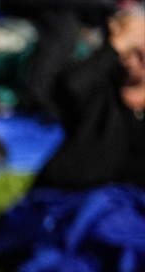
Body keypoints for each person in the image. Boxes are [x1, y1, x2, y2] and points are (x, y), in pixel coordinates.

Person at [34, 3, 145, 190]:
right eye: (126, 52)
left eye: (139, 50)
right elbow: (71, 87)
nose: (130, 59)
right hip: (79, 195)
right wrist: (119, 43)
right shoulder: (99, 91)